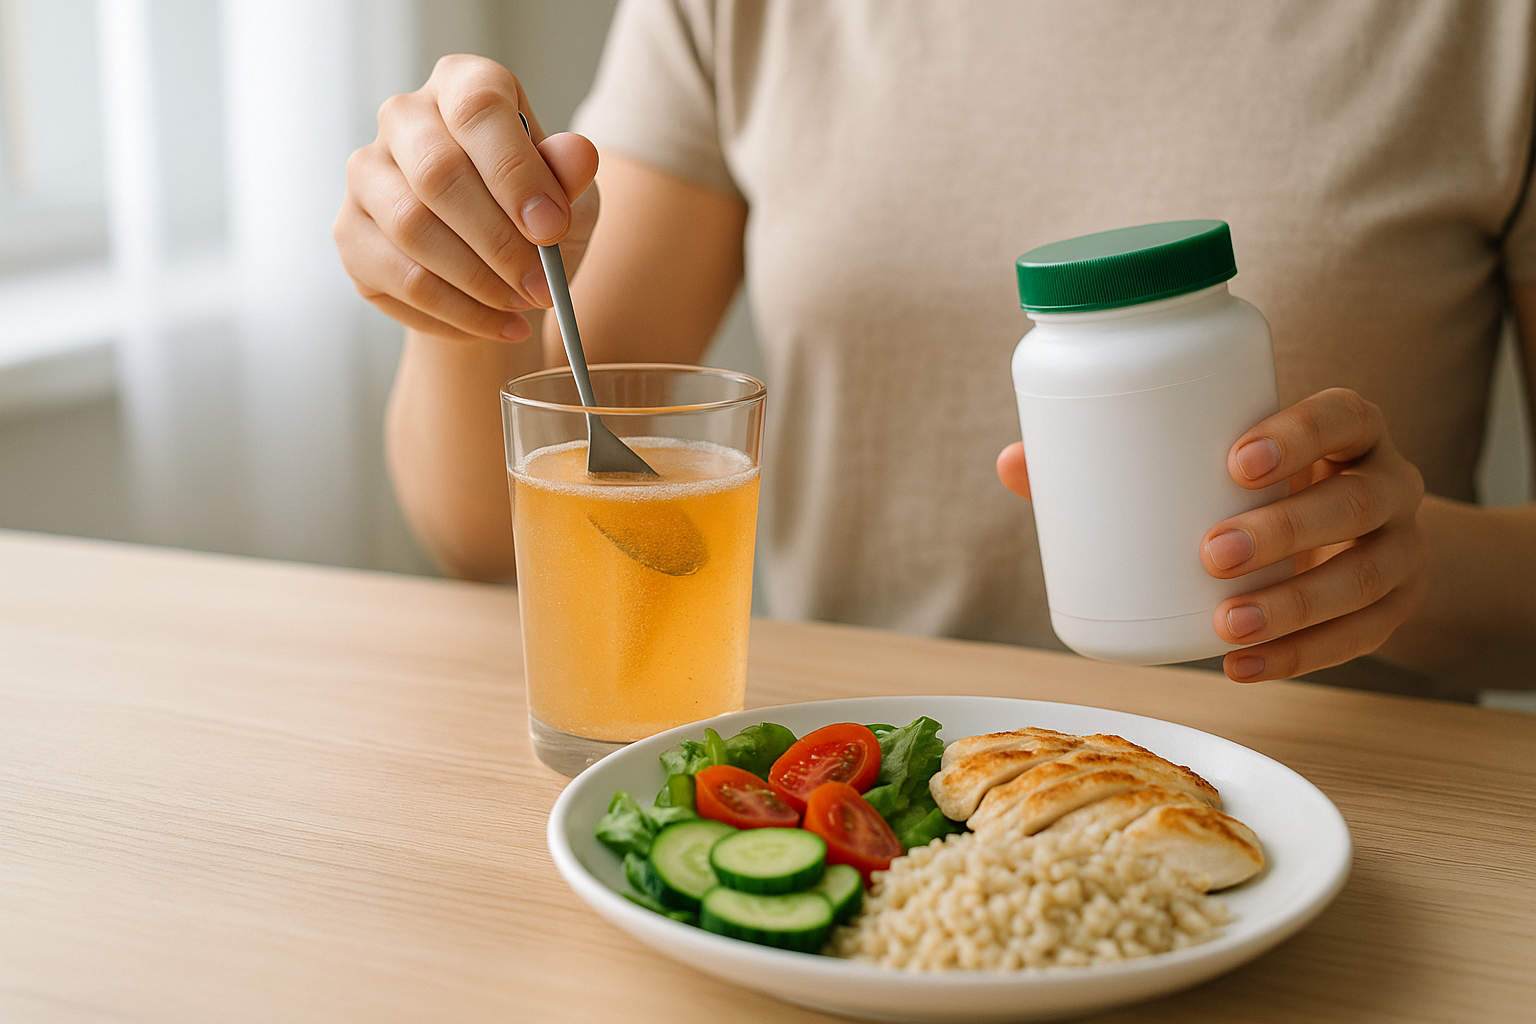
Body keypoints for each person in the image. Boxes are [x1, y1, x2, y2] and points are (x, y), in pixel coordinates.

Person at [333, 1, 1536, 700]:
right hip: (872, 802)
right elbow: (495, 525)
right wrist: (465, 280)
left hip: (1342, 818)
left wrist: (1412, 567)